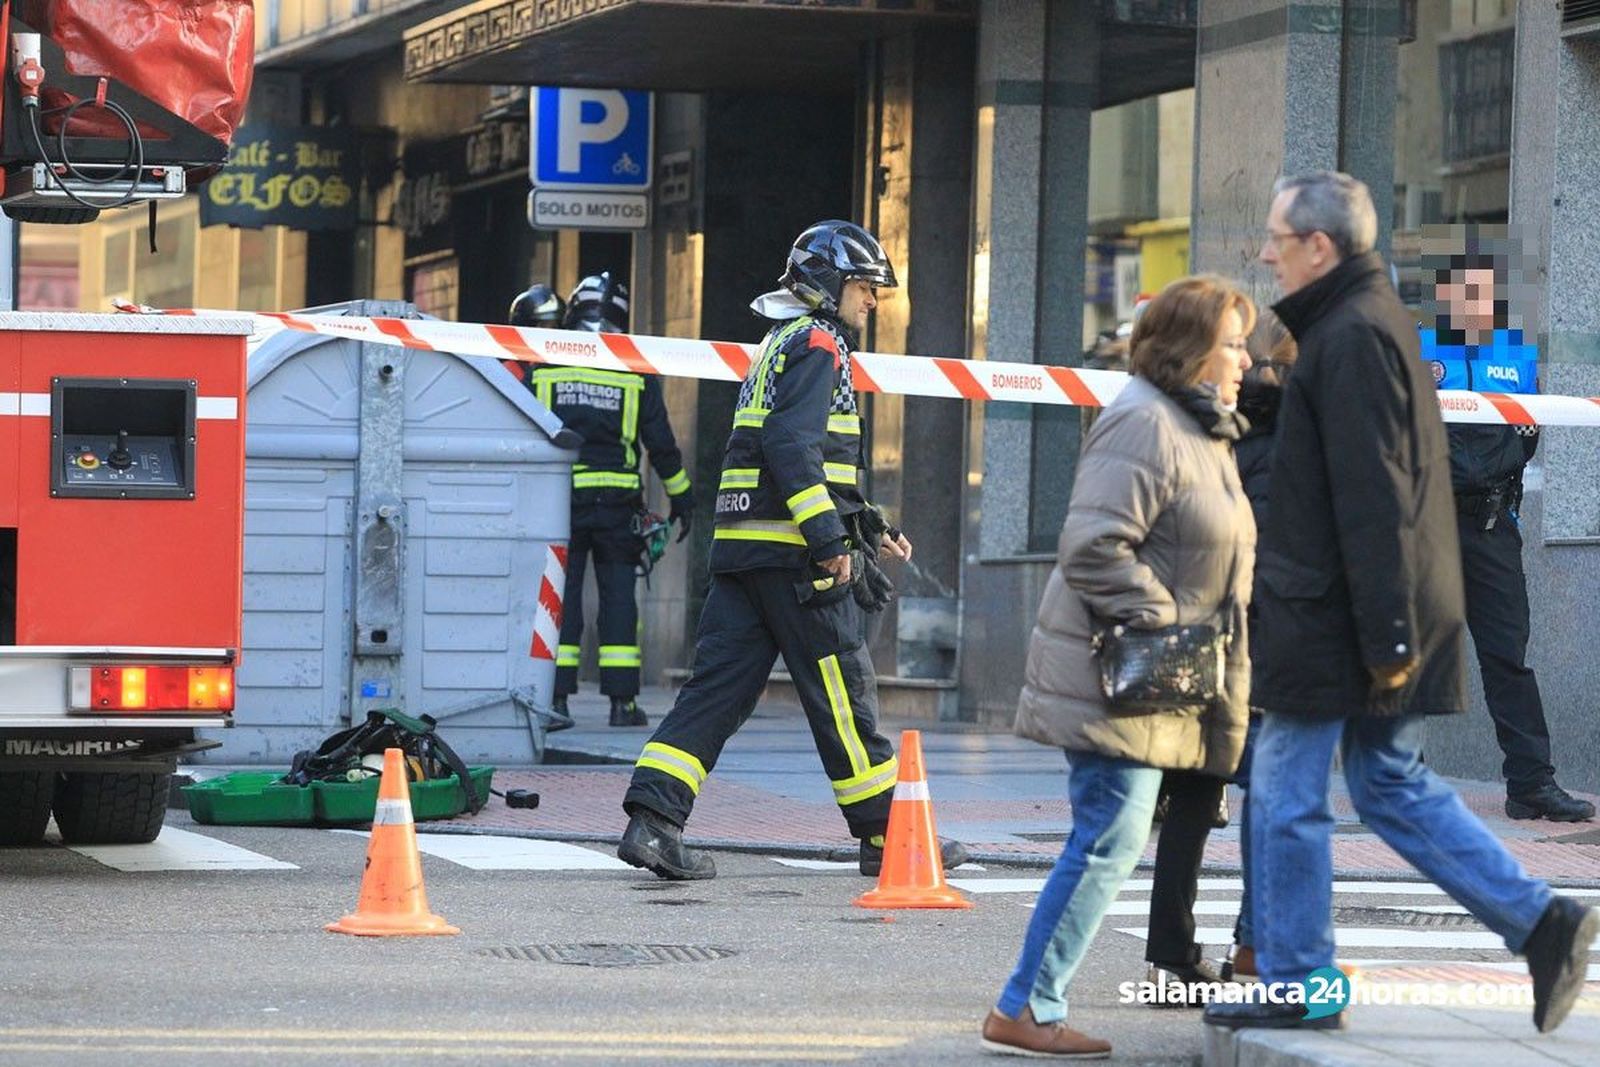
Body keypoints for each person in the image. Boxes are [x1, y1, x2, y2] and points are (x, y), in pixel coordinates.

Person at [1203, 172, 1596, 1035]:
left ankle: (1299, 979)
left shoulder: (1352, 337)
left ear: (1319, 246)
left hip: (1345, 619)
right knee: (1385, 784)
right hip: (1363, 613)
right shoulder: (1354, 329)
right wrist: (1268, 407)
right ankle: (1541, 922)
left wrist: (1386, 637)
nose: (1265, 253)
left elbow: (1377, 498)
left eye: (1276, 236)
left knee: (1287, 790)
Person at [616, 220, 967, 882]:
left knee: (714, 693)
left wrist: (862, 520)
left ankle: (653, 822)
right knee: (843, 686)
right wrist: (830, 540)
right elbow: (789, 447)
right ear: (831, 285)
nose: (873, 302)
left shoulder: (779, 344)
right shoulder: (819, 344)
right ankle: (887, 835)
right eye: (866, 287)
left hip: (745, 556)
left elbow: (807, 457)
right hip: (794, 559)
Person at [981, 275, 1256, 1058]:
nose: (1244, 358)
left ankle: (1028, 1002)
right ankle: (1027, 1005)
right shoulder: (1145, 422)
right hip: (1124, 676)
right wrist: (1168, 623)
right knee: (1107, 837)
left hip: (1155, 678)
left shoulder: (1196, 425)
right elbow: (1095, 547)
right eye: (1231, 343)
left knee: (1109, 836)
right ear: (1191, 349)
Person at [1422, 238, 1592, 822]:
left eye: (1486, 293)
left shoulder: (1513, 352)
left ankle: (1531, 784)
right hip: (1425, 524)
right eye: (1463, 291)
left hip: (1492, 526)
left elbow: (1529, 428)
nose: (1475, 302)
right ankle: (1393, 782)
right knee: (1411, 653)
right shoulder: (1417, 348)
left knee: (1507, 657)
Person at [525, 271, 695, 728]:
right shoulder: (632, 369)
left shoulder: (544, 364)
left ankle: (555, 702)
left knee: (561, 602)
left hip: (562, 504)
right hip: (619, 507)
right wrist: (683, 499)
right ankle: (623, 705)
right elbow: (660, 444)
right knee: (620, 601)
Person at [1217, 310, 1297, 983]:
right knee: (1278, 795)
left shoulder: (1225, 426)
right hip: (1276, 634)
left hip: (1228, 632)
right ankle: (1259, 939)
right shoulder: (1298, 434)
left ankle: (1238, 943)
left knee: (1224, 795)